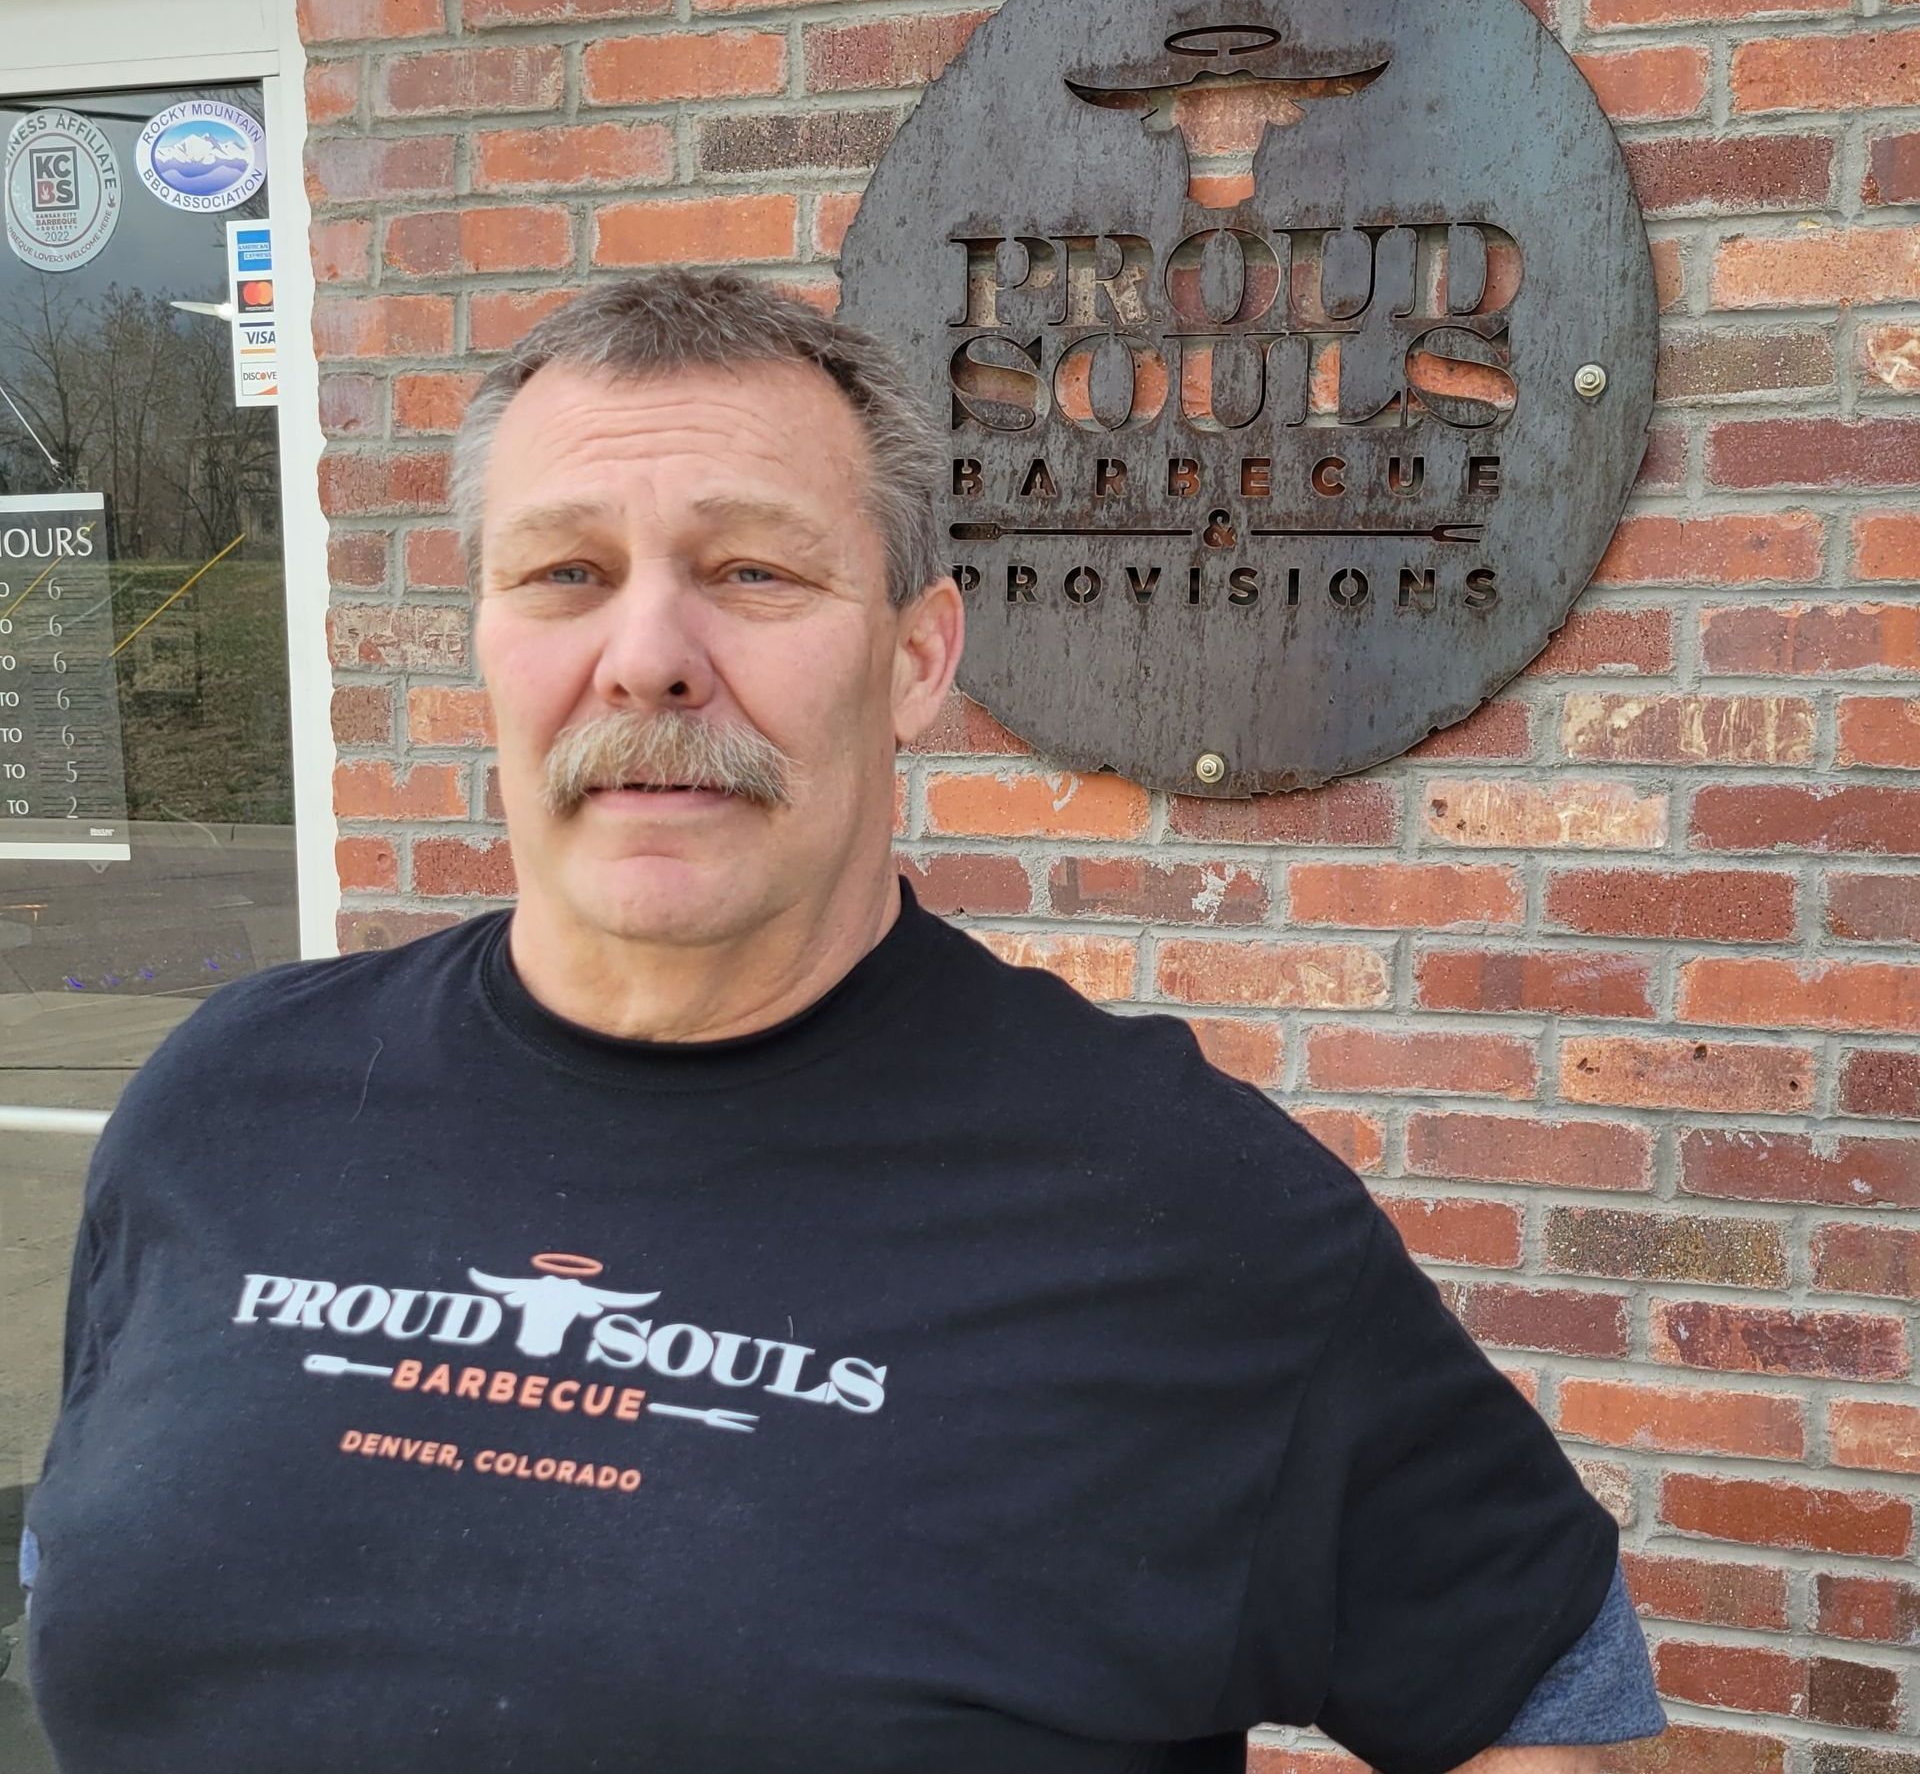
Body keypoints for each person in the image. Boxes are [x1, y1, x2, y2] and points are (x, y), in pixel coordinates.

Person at [22, 272, 1665, 1774]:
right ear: (487, 644)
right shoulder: (229, 1098)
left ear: (915, 658)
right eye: (566, 573)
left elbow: (1549, 1691)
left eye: (753, 571)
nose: (649, 657)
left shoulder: (1186, 1211)